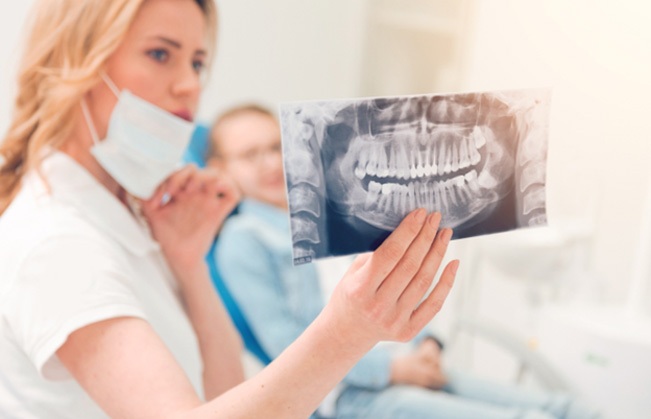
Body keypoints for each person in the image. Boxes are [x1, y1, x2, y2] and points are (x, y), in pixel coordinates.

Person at [0, 1, 459, 418]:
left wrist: (188, 264)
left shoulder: (128, 217)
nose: (189, 85)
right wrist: (346, 332)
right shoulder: (56, 239)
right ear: (74, 62)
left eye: (197, 62)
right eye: (160, 54)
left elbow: (224, 390)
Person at [211, 105, 602, 419]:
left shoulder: (340, 212)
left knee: (565, 408)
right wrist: (391, 371)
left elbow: (400, 285)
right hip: (348, 392)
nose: (268, 161)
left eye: (275, 147)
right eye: (249, 155)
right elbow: (284, 345)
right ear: (220, 169)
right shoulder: (243, 239)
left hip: (410, 359)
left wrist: (429, 344)